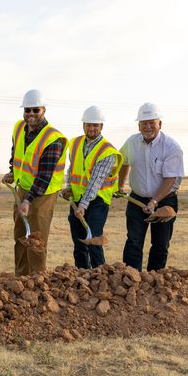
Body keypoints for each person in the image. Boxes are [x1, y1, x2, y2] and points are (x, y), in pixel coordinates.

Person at [2, 89, 66, 275]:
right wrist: (12, 172)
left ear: (43, 110)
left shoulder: (53, 139)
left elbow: (44, 176)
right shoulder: (19, 128)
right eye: (27, 110)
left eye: (35, 110)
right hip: (23, 188)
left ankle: (37, 280)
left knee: (36, 240)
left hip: (43, 194)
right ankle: (21, 278)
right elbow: (16, 152)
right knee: (20, 236)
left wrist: (28, 200)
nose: (31, 114)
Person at [119, 102, 184, 271]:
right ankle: (131, 277)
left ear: (159, 124)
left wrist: (154, 201)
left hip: (164, 202)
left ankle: (154, 278)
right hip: (137, 199)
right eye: (144, 123)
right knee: (134, 240)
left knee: (160, 243)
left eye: (151, 123)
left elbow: (170, 179)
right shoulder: (131, 142)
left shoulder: (171, 147)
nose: (148, 127)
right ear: (139, 126)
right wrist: (120, 186)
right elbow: (123, 162)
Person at [62, 106, 122, 268]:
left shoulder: (107, 151)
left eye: (95, 125)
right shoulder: (75, 143)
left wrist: (83, 205)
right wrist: (69, 187)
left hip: (97, 201)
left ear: (101, 126)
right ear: (83, 125)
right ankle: (81, 274)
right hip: (77, 198)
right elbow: (72, 168)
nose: (91, 128)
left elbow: (96, 181)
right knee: (79, 242)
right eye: (88, 125)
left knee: (94, 239)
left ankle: (99, 274)